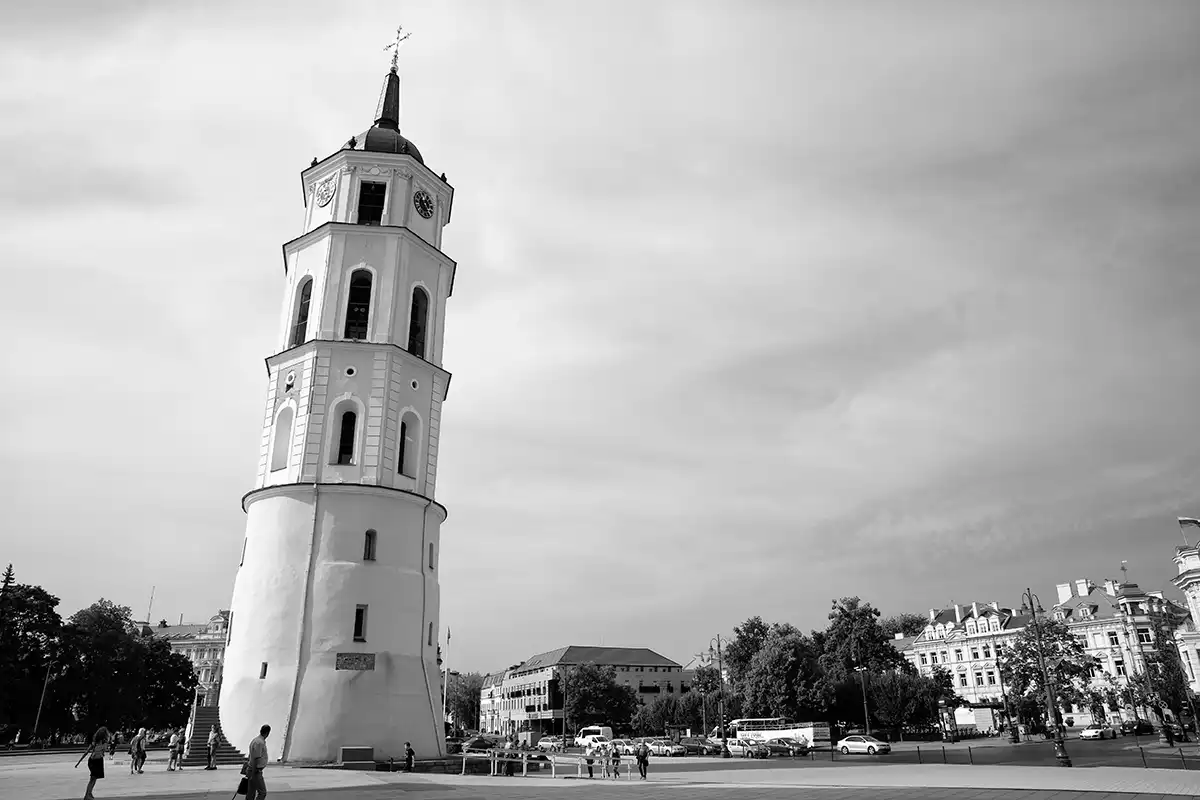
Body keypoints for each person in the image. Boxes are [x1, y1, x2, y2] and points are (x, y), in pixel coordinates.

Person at [83, 726, 110, 800]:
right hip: (96, 761)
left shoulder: (95, 743)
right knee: (93, 779)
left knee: (94, 779)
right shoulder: (103, 743)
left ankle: (89, 793)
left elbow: (87, 751)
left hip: (93, 760)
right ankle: (87, 795)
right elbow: (105, 749)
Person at [245, 724, 271, 800]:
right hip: (255, 771)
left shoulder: (256, 740)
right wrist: (253, 773)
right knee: (262, 792)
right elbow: (256, 758)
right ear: (267, 733)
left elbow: (250, 756)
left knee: (251, 792)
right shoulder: (259, 742)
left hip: (252, 769)